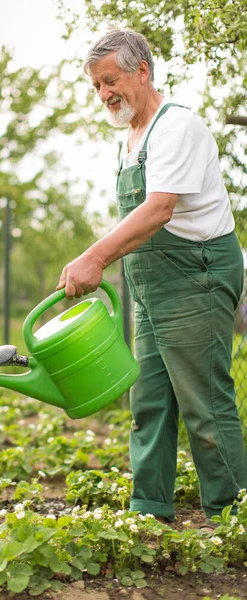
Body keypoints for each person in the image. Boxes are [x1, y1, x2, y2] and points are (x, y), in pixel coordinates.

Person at [56, 29, 247, 529]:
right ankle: (149, 512)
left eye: (110, 81)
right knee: (150, 402)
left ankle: (234, 519)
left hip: (196, 278)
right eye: (97, 86)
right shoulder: (131, 139)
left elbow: (159, 209)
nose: (104, 95)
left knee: (204, 405)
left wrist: (94, 257)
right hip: (152, 287)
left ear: (143, 71)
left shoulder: (176, 128)